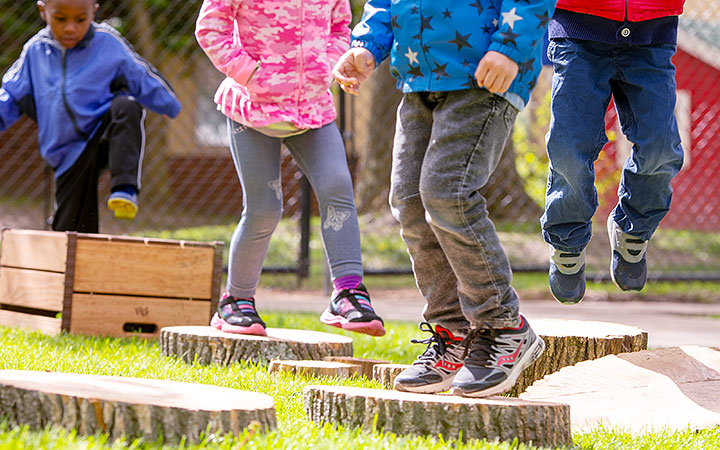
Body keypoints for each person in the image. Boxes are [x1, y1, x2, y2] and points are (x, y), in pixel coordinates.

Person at [333, 0, 554, 397]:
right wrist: (367, 46)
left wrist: (510, 47)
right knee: (410, 203)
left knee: (447, 193)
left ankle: (504, 326)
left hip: (483, 75)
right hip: (419, 76)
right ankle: (452, 332)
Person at [195, 0, 385, 337]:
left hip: (311, 109)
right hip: (253, 109)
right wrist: (249, 73)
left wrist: (325, 68)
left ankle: (348, 291)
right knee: (264, 209)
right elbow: (210, 27)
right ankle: (235, 301)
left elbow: (341, 26)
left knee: (338, 188)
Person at [541, 0, 686, 304]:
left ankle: (633, 229)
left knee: (661, 148)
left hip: (652, 31)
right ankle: (567, 240)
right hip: (579, 28)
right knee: (569, 147)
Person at [0, 0, 181, 233]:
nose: (70, 28)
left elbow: (139, 75)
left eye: (80, 20)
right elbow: (11, 95)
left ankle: (124, 188)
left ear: (93, 12)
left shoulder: (107, 43)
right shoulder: (36, 51)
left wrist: (168, 104)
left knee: (126, 107)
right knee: (72, 228)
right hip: (66, 152)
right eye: (61, 19)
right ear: (43, 11)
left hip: (101, 133)